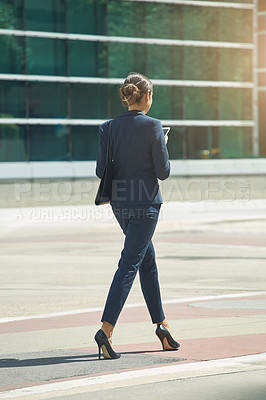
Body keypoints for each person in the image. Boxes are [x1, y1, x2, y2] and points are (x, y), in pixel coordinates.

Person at [94, 72, 180, 360]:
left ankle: (162, 326)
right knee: (130, 262)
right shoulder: (154, 127)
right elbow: (163, 172)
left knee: (147, 260)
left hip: (120, 206)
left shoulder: (107, 127)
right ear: (146, 97)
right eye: (151, 95)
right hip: (146, 206)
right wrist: (162, 144)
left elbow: (100, 171)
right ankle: (105, 331)